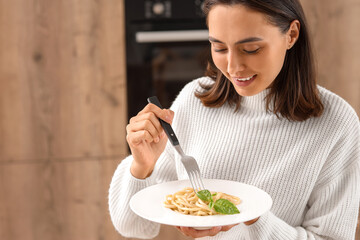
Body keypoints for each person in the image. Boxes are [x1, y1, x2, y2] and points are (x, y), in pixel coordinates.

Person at [109, 0, 360, 239]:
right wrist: (142, 167)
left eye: (251, 49)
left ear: (291, 35)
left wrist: (252, 218)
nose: (232, 67)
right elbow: (135, 227)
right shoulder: (194, 101)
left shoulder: (336, 124)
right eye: (219, 47)